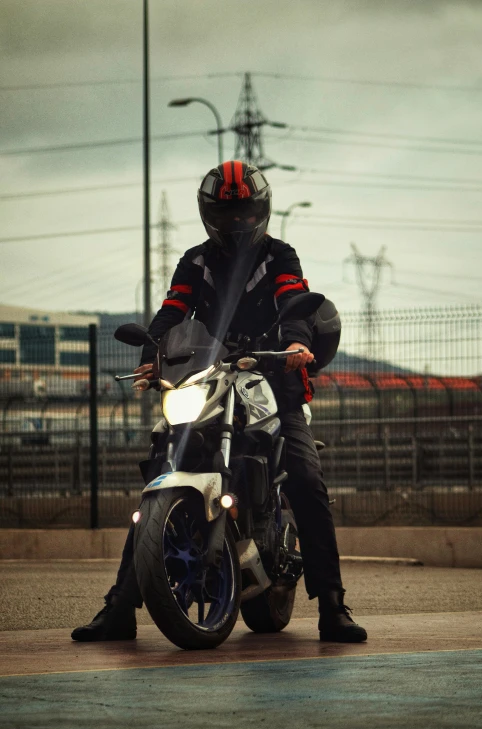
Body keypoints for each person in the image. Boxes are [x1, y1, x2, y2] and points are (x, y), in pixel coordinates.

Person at [72, 161, 367, 644]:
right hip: (209, 378)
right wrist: (154, 356)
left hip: (274, 381)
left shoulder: (279, 256)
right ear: (209, 214)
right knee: (164, 466)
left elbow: (295, 300)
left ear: (262, 211)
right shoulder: (195, 260)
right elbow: (173, 310)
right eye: (227, 214)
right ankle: (120, 607)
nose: (237, 222)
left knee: (308, 479)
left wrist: (294, 347)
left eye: (246, 213)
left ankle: (333, 606)